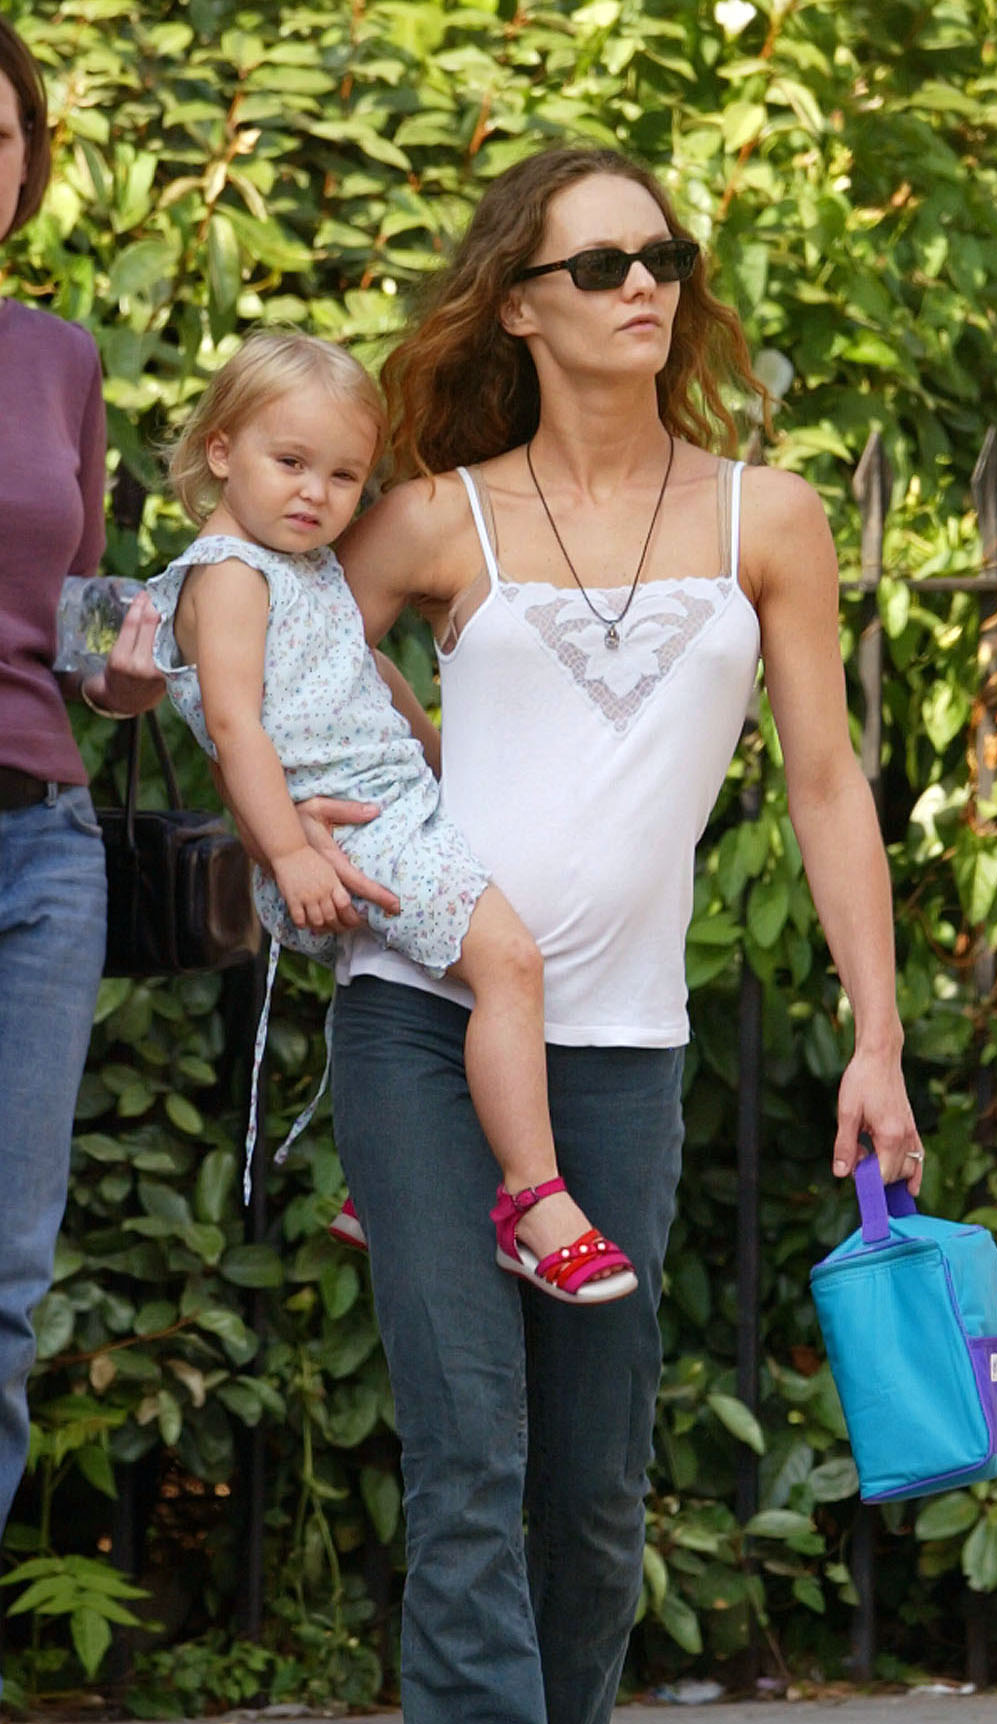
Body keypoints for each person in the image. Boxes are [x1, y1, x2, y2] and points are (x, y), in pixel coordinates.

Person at [289, 144, 925, 1724]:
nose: (642, 284)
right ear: (519, 304)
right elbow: (260, 666)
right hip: (420, 1031)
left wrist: (877, 1040)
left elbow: (822, 782)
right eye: (598, 264)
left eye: (662, 255)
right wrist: (314, 818)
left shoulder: (769, 519)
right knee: (470, 1447)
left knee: (590, 1484)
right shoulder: (434, 518)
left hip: (623, 1055)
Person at [147, 331, 635, 1300]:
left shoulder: (301, 567)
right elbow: (238, 730)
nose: (314, 494)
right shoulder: (230, 574)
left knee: (447, 982)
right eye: (289, 463)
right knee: (511, 965)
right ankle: (535, 1205)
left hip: (394, 807)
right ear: (220, 451)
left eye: (343, 476)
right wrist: (289, 854)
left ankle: (381, 1189)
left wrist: (442, 759)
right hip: (351, 833)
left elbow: (363, 672)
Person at [0, 20, 163, 1724]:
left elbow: (77, 625)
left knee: (4, 1285)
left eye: (0, 133)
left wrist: (131, 672)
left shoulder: (59, 358)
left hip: (40, 843)